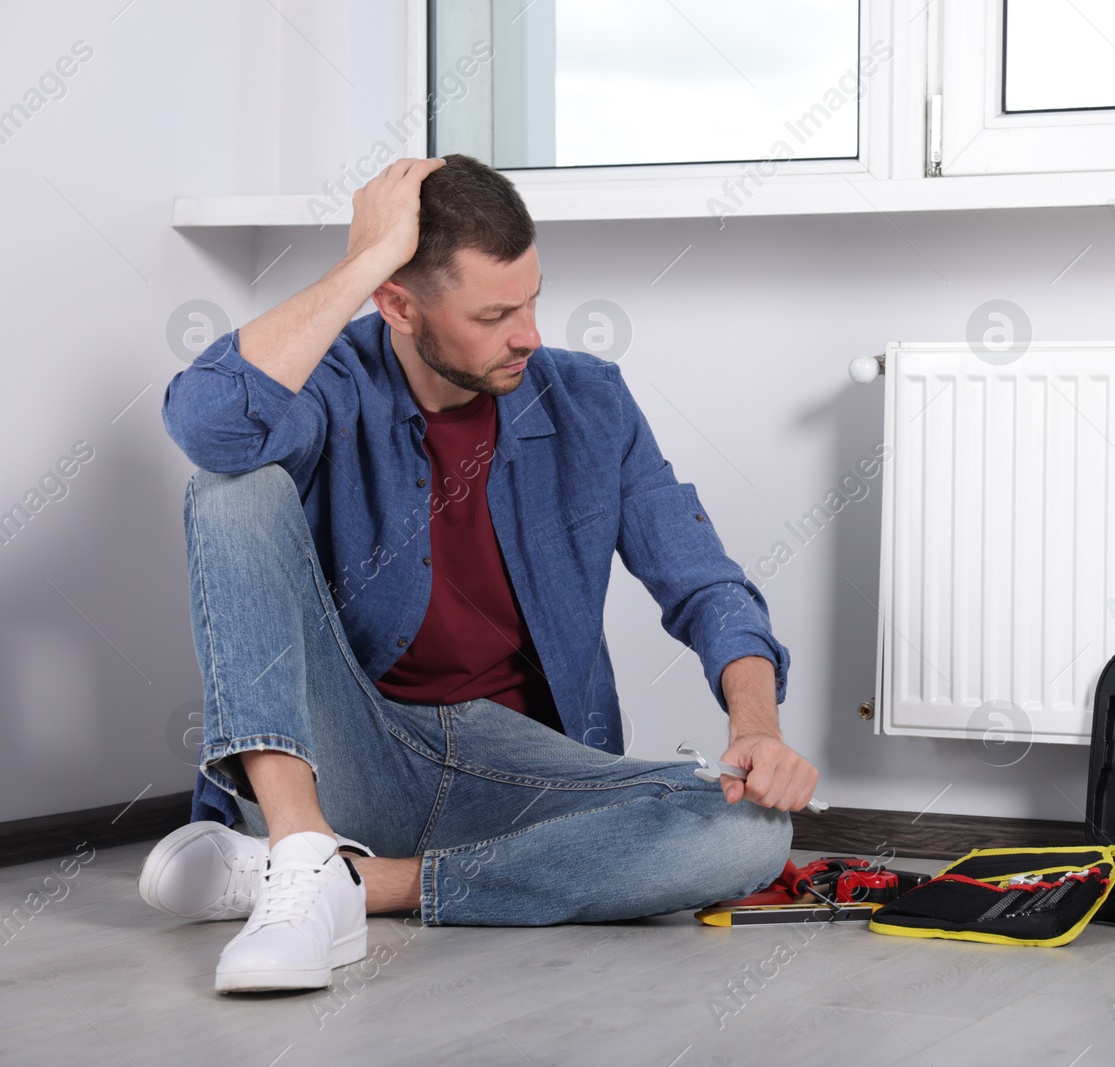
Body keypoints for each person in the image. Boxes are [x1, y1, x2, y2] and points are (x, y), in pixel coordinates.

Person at [142, 154, 818, 994]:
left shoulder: (590, 401)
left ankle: (343, 879)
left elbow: (704, 582)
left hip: (519, 767)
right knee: (231, 482)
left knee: (751, 831)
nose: (529, 332)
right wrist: (362, 262)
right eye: (496, 313)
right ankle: (301, 837)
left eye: (533, 297)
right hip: (356, 748)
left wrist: (757, 724)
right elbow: (209, 425)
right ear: (398, 304)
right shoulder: (331, 383)